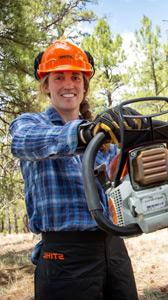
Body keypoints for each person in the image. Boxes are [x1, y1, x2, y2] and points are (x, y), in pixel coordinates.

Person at [9, 40, 139, 300]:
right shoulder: (30, 123)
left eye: (75, 77)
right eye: (59, 77)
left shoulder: (104, 134)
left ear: (84, 84)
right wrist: (84, 134)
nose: (68, 84)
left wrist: (134, 146)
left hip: (113, 250)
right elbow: (23, 142)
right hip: (64, 257)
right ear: (46, 85)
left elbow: (119, 180)